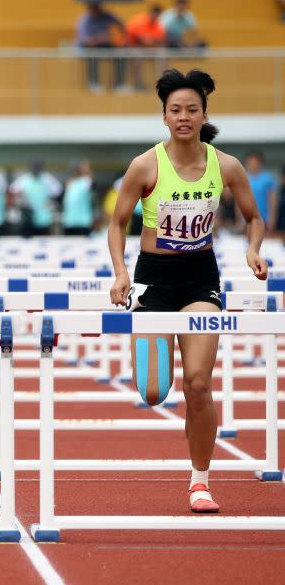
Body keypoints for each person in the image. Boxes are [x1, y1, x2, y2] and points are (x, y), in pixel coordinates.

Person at [108, 69, 268, 513]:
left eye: (191, 110)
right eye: (175, 110)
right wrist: (121, 273)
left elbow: (254, 216)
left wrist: (253, 251)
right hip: (154, 279)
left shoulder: (226, 166)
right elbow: (118, 223)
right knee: (155, 391)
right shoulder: (145, 165)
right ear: (164, 117)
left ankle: (200, 481)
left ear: (203, 115)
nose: (183, 117)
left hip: (200, 278)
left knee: (198, 385)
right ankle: (152, 354)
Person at [75, 2, 128, 93]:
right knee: (92, 55)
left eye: (98, 7)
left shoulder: (107, 16)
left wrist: (115, 35)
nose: (97, 9)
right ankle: (93, 82)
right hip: (89, 48)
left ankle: (119, 84)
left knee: (121, 55)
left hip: (106, 46)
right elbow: (87, 42)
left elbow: (122, 26)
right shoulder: (84, 20)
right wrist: (104, 37)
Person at [10, 159, 62, 237]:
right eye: (33, 167)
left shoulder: (48, 179)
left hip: (44, 219)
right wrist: (21, 200)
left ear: (41, 168)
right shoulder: (24, 179)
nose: (35, 169)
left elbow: (58, 192)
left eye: (37, 167)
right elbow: (13, 192)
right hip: (28, 219)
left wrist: (51, 201)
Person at [125, 5, 166, 90]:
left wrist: (151, 41)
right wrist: (151, 41)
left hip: (149, 49)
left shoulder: (157, 23)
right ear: (151, 12)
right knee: (138, 58)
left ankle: (163, 83)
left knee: (162, 54)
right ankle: (139, 84)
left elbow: (160, 39)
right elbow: (141, 40)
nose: (156, 17)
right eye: (155, 14)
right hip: (134, 48)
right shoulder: (140, 20)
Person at [244, 151, 278, 232]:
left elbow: (272, 201)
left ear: (260, 163)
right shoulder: (244, 177)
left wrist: (272, 219)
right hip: (248, 219)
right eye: (250, 162)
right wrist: (239, 220)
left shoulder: (267, 178)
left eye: (255, 162)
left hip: (264, 219)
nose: (253, 165)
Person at [62, 160, 95, 236]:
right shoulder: (69, 183)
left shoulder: (85, 181)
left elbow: (91, 178)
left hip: (83, 223)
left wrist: (86, 167)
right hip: (69, 222)